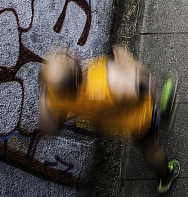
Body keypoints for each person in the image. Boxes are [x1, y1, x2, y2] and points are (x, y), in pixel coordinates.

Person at [39, 46, 179, 194]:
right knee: (151, 148)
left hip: (117, 124)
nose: (65, 52)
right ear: (74, 78)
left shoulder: (58, 97)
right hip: (141, 120)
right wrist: (129, 64)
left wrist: (46, 88)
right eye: (65, 59)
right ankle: (166, 176)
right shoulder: (107, 80)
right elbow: (146, 88)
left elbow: (49, 128)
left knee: (144, 143)